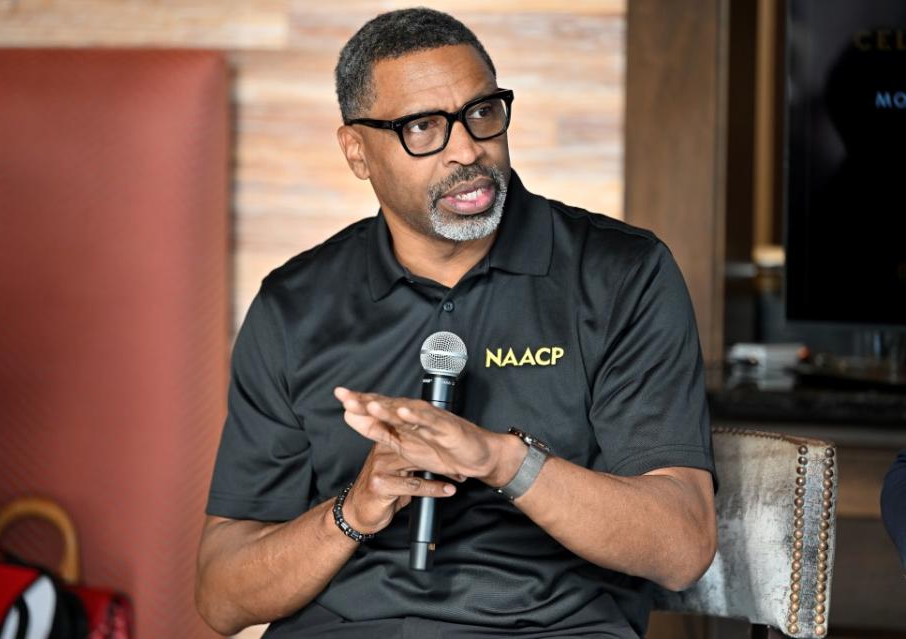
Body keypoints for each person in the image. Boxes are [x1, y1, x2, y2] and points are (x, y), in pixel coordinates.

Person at [196, 8, 717, 639]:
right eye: (423, 127)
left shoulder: (620, 274)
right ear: (357, 152)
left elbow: (682, 545)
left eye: (483, 112)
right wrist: (355, 509)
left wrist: (501, 460)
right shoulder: (294, 304)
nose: (468, 149)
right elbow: (221, 597)